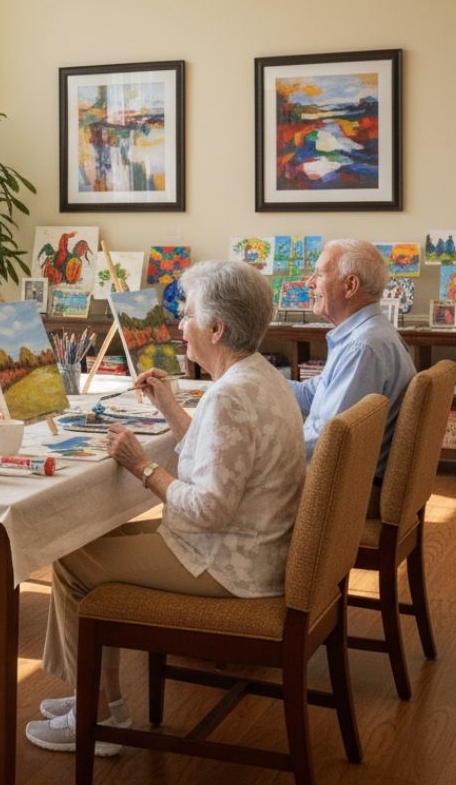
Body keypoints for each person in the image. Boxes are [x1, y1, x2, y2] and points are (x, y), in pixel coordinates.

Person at [25, 261, 307, 755]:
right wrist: (171, 409)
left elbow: (209, 510)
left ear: (216, 329)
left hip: (229, 562)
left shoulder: (230, 397)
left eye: (189, 315)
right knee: (85, 545)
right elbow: (223, 459)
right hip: (255, 545)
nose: (180, 324)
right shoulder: (260, 376)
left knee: (69, 558)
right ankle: (96, 700)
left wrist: (143, 467)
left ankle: (97, 714)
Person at [291, 239, 415, 477]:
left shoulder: (363, 347)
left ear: (350, 286)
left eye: (319, 274)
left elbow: (328, 444)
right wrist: (259, 379)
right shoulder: (365, 334)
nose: (309, 283)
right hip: (348, 476)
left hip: (348, 490)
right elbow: (312, 394)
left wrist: (266, 451)